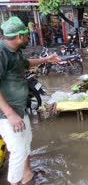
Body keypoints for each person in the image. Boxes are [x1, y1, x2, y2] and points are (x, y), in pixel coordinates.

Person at [0, 17, 60, 185]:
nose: (29, 37)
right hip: (6, 114)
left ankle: (27, 176)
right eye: (27, 35)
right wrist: (10, 114)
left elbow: (25, 63)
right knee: (18, 150)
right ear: (19, 36)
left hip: (19, 109)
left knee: (26, 143)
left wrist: (46, 59)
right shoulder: (1, 52)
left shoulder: (15, 50)